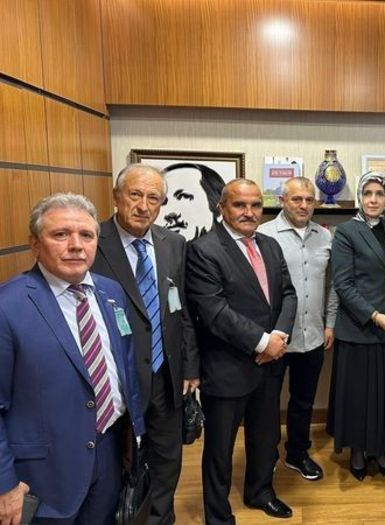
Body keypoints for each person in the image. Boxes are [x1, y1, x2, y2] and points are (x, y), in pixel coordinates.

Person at [0, 193, 145, 524]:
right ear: (35, 244)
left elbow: (124, 367)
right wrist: (4, 485)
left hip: (109, 455)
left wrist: (133, 439)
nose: (76, 245)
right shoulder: (7, 306)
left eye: (86, 235)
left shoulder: (112, 292)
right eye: (61, 234)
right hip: (42, 475)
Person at [92, 164, 200, 525]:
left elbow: (182, 309)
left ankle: (160, 518)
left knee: (168, 459)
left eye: (153, 198)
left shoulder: (173, 243)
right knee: (119, 463)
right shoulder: (93, 240)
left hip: (167, 374)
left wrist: (190, 367)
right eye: (135, 195)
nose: (143, 206)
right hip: (117, 379)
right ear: (116, 196)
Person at [186, 179, 297, 523]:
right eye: (239, 205)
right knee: (220, 449)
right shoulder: (203, 249)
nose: (249, 212)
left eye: (255, 205)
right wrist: (263, 342)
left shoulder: (270, 245)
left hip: (270, 364)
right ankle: (217, 514)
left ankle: (260, 492)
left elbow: (288, 294)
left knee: (265, 437)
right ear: (222, 208)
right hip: (227, 367)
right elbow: (214, 311)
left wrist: (277, 337)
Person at [327, 171, 385, 480]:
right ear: (360, 198)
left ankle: (382, 449)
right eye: (367, 193)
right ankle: (358, 451)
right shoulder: (346, 232)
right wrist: (373, 315)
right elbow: (343, 284)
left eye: (379, 194)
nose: (373, 199)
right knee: (359, 397)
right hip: (359, 328)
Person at [258, 177, 338, 481]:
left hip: (313, 335)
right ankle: (266, 456)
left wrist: (330, 323)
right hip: (275, 338)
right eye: (296, 199)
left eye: (309, 200)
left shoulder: (325, 237)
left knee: (303, 401)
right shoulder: (264, 235)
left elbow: (332, 285)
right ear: (282, 201)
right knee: (267, 403)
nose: (304, 205)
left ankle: (297, 453)